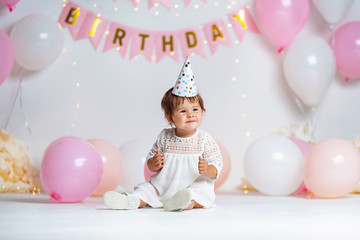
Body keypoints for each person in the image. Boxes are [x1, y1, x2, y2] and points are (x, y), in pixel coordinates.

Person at [103, 56, 223, 211]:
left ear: (202, 111)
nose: (191, 114)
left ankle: (181, 203)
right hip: (163, 186)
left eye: (195, 109)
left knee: (194, 194)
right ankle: (131, 200)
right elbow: (151, 161)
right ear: (170, 117)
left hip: (192, 186)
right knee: (146, 189)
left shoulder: (204, 139)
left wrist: (208, 169)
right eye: (183, 111)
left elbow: (217, 165)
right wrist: (154, 163)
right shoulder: (165, 136)